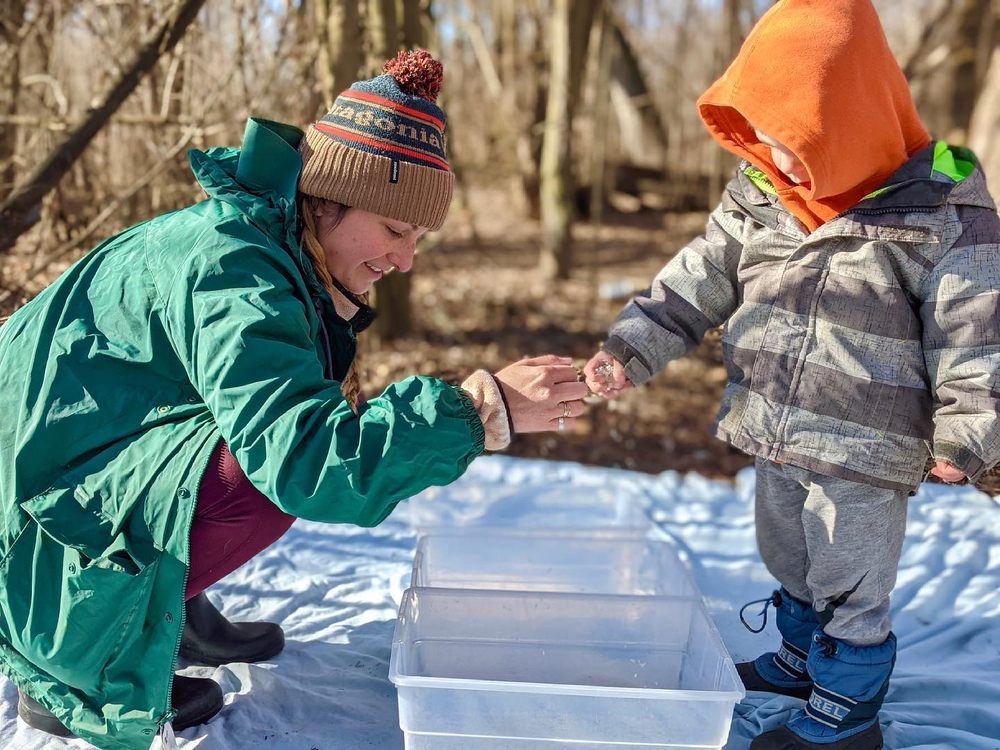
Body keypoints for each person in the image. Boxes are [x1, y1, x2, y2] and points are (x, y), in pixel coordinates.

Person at [0, 50, 589, 748]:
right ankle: (76, 671)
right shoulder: (235, 269)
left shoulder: (273, 244)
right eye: (395, 230)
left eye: (419, 240)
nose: (405, 261)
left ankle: (171, 609)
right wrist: (480, 407)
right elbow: (305, 461)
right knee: (260, 477)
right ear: (326, 198)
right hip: (33, 514)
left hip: (80, 463)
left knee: (254, 450)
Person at [584, 1, 1000, 748]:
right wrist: (630, 348)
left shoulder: (939, 213)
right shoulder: (761, 197)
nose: (776, 160)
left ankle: (848, 707)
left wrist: (969, 430)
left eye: (795, 145)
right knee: (788, 553)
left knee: (851, 576)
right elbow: (699, 278)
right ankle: (802, 656)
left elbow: (973, 328)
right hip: (773, 422)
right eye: (764, 142)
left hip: (867, 447)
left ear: (852, 124)